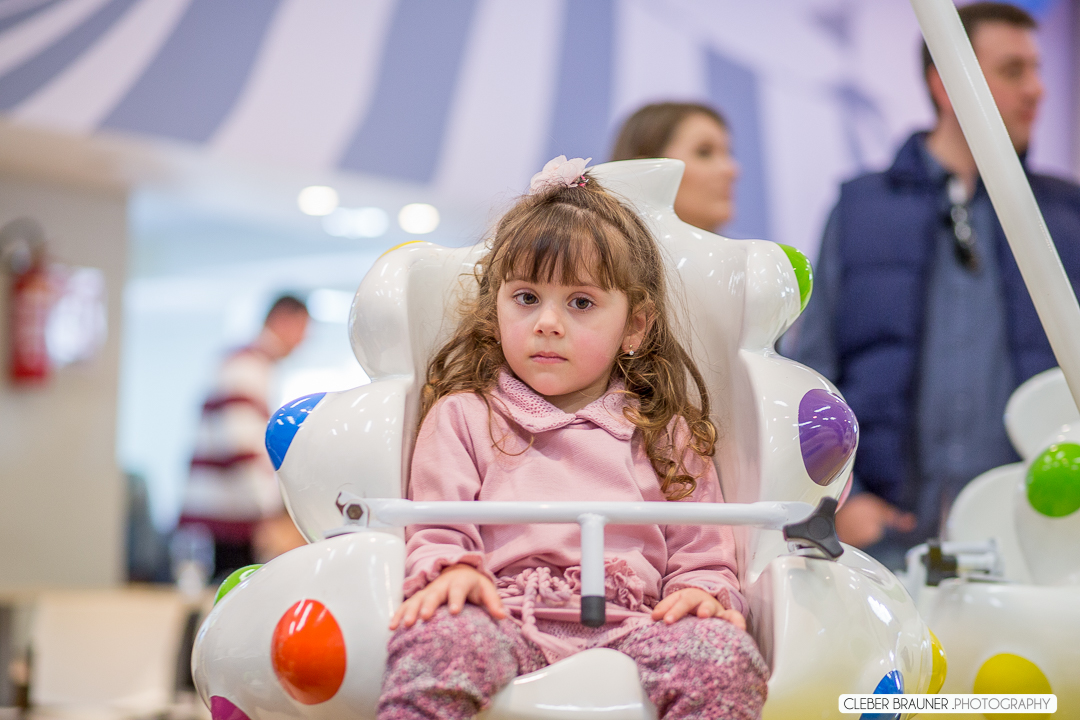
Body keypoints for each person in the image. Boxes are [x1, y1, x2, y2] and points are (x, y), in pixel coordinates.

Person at [378, 157, 768, 720]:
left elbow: (706, 553)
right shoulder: (464, 417)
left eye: (580, 303)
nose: (548, 323)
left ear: (635, 325)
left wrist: (701, 594)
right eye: (526, 298)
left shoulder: (665, 433)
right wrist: (455, 571)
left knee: (723, 656)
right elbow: (438, 528)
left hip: (639, 626)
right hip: (504, 615)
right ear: (495, 307)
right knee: (438, 641)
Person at [790, 2, 1080, 569]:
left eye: (1038, 69)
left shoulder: (1065, 218)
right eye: (1013, 70)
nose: (1038, 90)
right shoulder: (861, 208)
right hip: (886, 542)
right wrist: (837, 499)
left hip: (1030, 540)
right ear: (946, 84)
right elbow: (813, 376)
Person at [178, 294, 310, 579]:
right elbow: (241, 448)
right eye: (303, 329)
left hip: (226, 513)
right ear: (285, 321)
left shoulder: (251, 364)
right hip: (225, 517)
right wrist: (268, 510)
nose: (303, 341)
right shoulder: (247, 366)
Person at [611, 102, 740, 233]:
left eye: (728, 153)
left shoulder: (752, 252)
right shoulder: (596, 253)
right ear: (646, 169)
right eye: (704, 152)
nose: (731, 170)